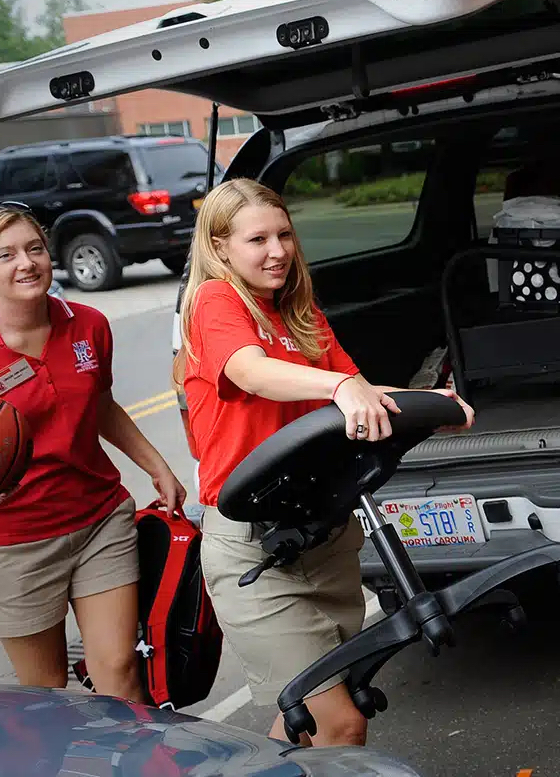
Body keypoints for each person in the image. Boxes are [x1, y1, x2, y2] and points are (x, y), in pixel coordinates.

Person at [174, 178, 473, 747]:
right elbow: (250, 371)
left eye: (284, 234)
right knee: (341, 721)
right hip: (255, 551)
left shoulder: (298, 311)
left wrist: (434, 404)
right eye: (257, 239)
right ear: (219, 248)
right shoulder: (219, 301)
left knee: (301, 724)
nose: (277, 250)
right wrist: (341, 386)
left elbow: (357, 389)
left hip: (323, 537)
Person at [0, 203, 185, 702]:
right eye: (7, 255)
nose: (27, 263)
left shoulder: (88, 324)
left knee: (121, 671)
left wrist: (157, 467)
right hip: (13, 542)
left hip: (98, 521)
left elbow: (101, 404)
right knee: (46, 695)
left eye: (35, 249)